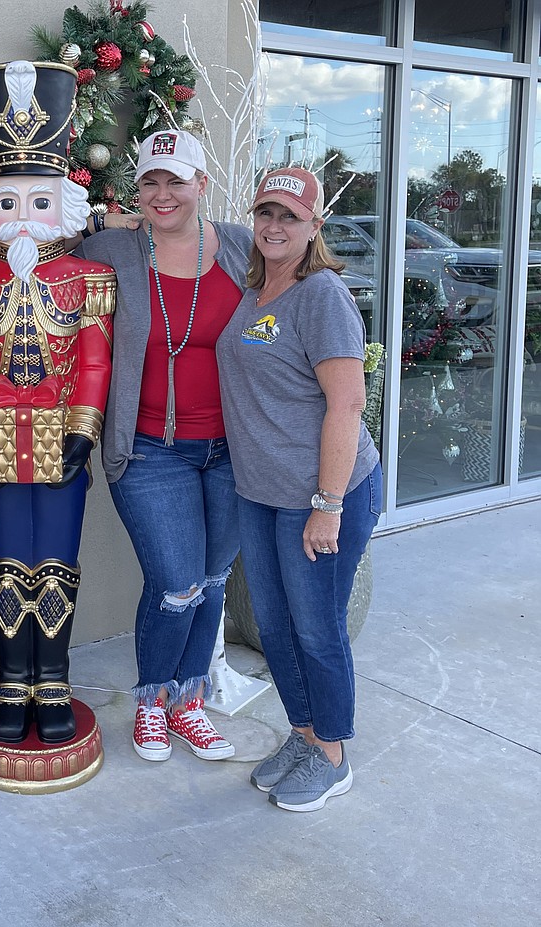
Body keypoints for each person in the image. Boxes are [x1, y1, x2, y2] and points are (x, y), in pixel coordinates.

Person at [0, 60, 116, 745]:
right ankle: (10, 677)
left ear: (64, 207)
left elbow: (97, 361)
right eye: (9, 202)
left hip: (61, 437)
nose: (23, 216)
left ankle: (54, 678)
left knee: (58, 558)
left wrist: (86, 429)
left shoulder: (92, 278)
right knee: (6, 556)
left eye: (38, 202)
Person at [75, 129, 252, 763]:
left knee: (210, 579)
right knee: (175, 582)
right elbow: (36, 240)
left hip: (234, 452)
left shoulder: (240, 247)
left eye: (176, 180)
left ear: (202, 185)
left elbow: (304, 273)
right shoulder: (112, 249)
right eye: (150, 181)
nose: (162, 192)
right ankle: (152, 701)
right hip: (149, 449)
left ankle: (189, 702)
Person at [216, 167, 382, 812]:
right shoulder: (256, 285)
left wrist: (328, 505)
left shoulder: (321, 295)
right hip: (260, 492)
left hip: (319, 495)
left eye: (290, 215)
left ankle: (334, 753)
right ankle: (305, 733)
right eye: (266, 213)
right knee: (277, 628)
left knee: (316, 629)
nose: (274, 226)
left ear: (315, 225)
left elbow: (346, 406)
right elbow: (172, 226)